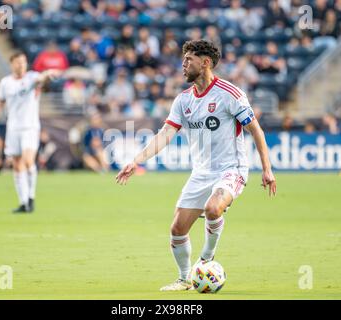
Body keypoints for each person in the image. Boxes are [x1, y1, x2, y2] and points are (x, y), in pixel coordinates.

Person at [116, 40, 276, 291]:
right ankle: (184, 279)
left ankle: (206, 259)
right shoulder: (183, 100)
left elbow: (255, 130)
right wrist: (136, 161)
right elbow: (165, 134)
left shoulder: (229, 93)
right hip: (201, 173)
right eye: (183, 59)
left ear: (206, 63)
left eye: (189, 59)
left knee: (213, 208)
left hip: (231, 168)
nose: (183, 63)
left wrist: (267, 169)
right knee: (177, 229)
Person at [0, 51, 62, 213]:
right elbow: (0, 103)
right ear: (12, 64)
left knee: (29, 161)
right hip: (13, 127)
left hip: (30, 127)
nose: (21, 65)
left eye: (24, 62)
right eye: (18, 62)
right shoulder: (5, 83)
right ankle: (23, 202)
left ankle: (31, 198)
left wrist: (49, 73)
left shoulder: (31, 78)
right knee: (16, 164)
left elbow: (42, 78)